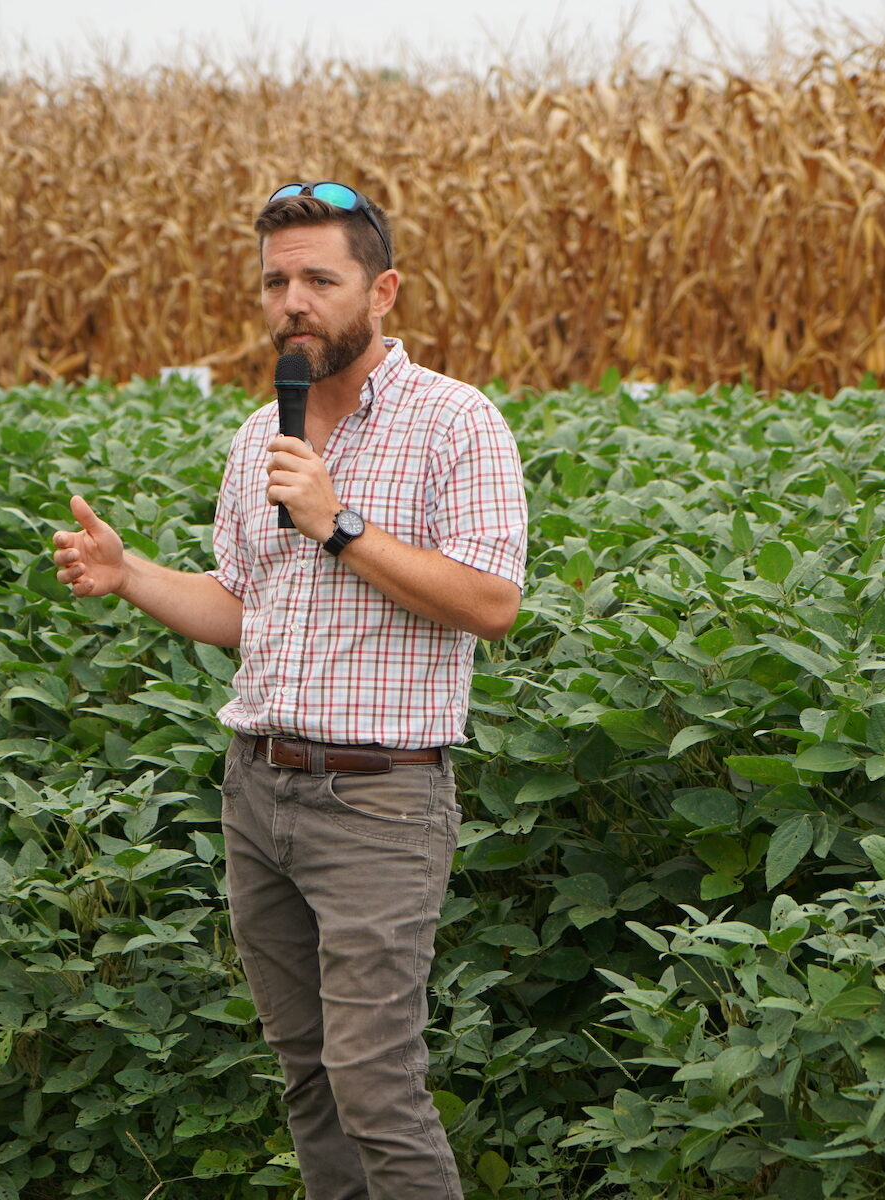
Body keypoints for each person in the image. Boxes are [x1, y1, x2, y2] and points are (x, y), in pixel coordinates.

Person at [49, 181, 528, 1200]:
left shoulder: (454, 423)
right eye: (275, 281)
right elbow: (241, 606)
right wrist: (128, 575)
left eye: (319, 278)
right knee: (307, 1077)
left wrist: (337, 519)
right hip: (257, 792)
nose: (291, 302)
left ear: (381, 289)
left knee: (372, 1081)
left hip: (379, 800)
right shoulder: (256, 437)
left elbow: (489, 602)